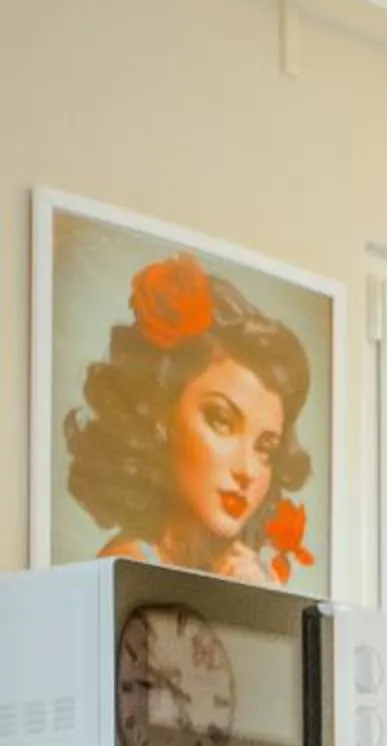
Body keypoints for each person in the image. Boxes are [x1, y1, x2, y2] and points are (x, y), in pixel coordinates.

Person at [63, 251, 317, 587]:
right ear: (160, 415)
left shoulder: (235, 569)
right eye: (222, 421)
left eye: (265, 448)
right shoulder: (131, 567)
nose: (247, 470)